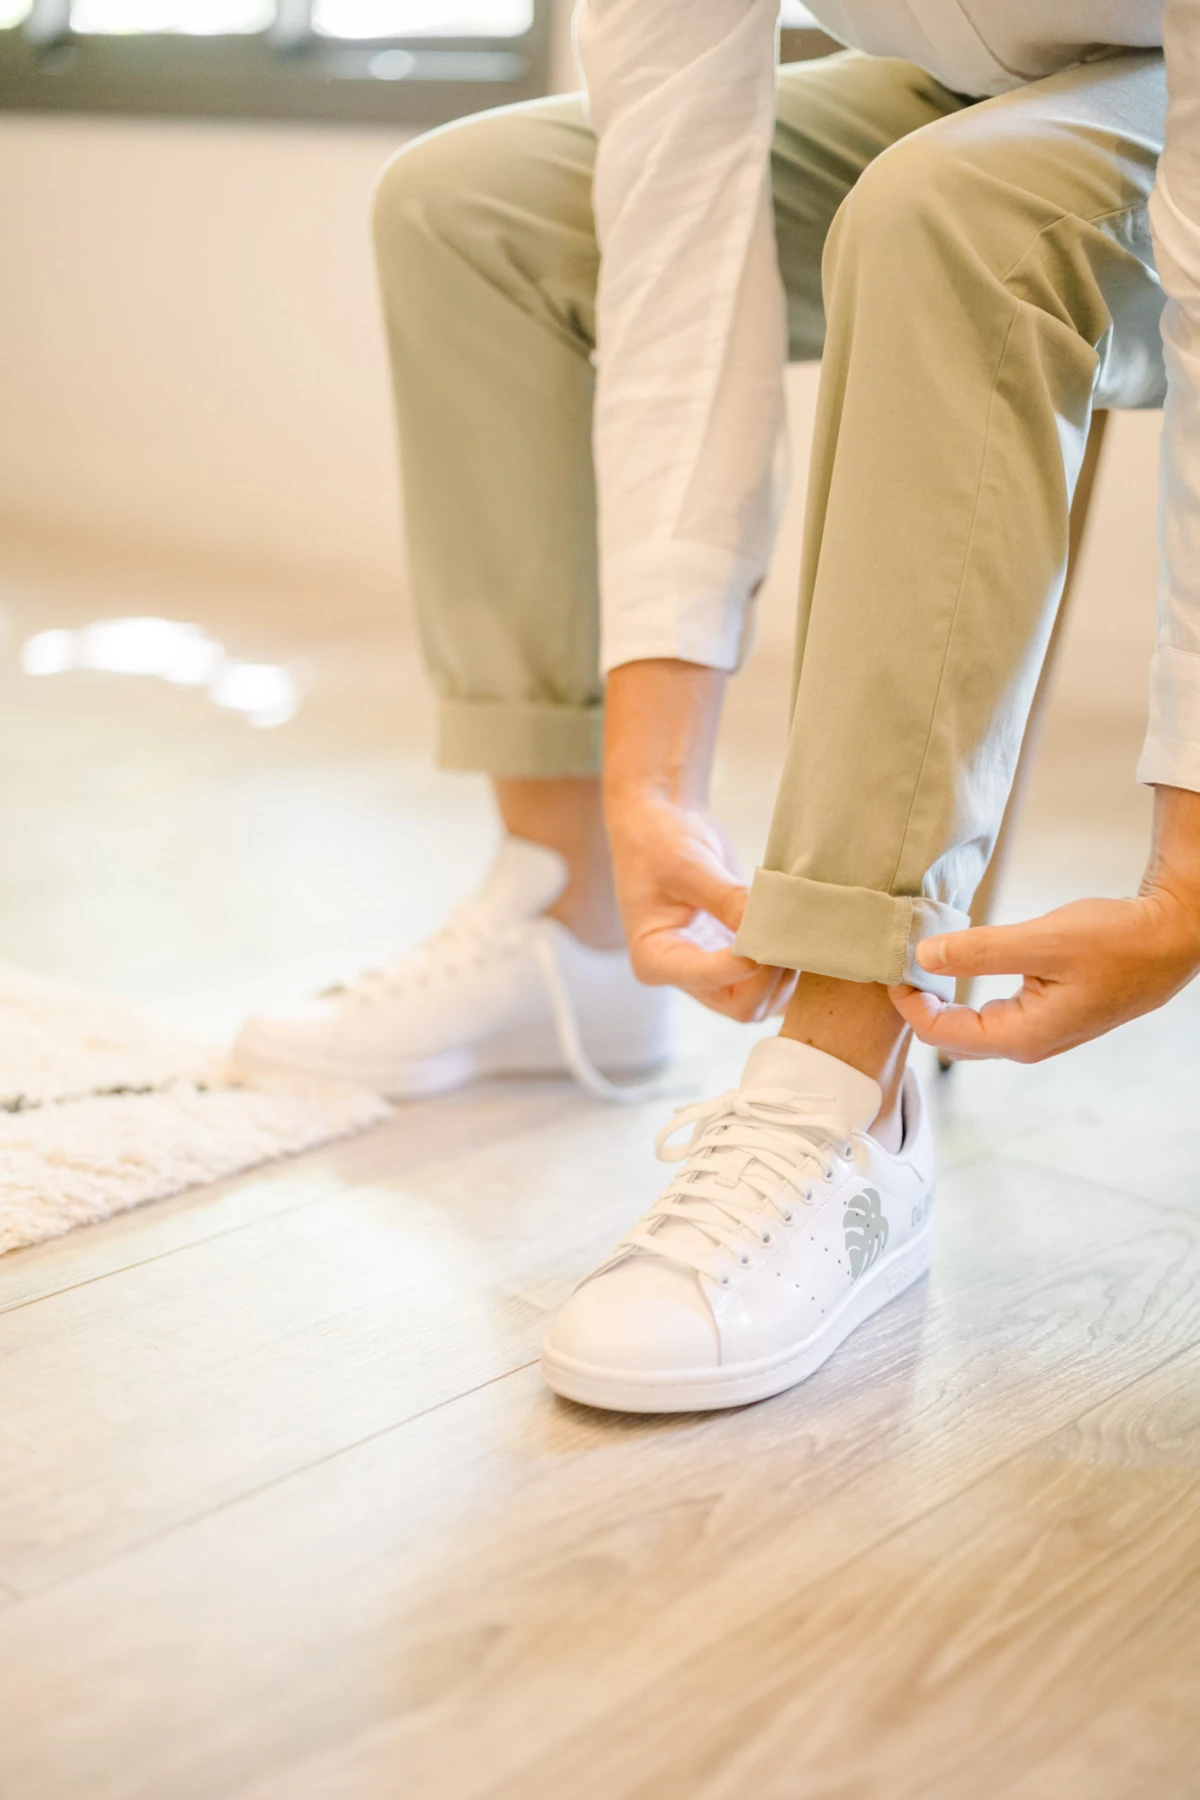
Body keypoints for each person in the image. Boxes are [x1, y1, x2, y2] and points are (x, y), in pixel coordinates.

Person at [238, 1, 1200, 1414]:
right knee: (474, 206)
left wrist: (1186, 871)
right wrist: (651, 780)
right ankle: (571, 916)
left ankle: (851, 1078)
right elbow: (675, 258)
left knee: (953, 209)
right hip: (977, 84)